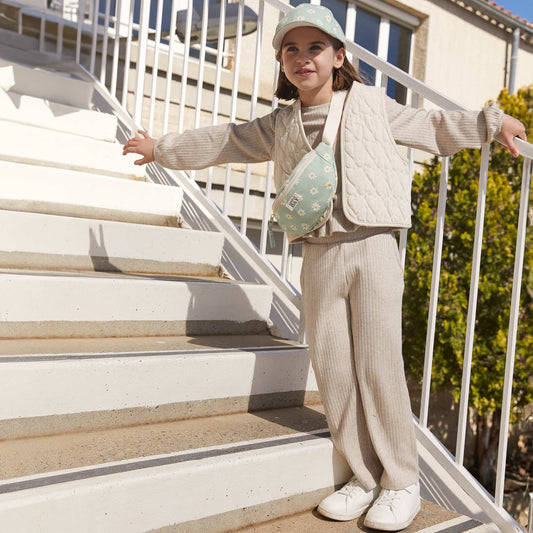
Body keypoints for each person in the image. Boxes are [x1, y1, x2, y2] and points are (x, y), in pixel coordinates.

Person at [123, 4, 527, 530]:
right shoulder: (280, 123)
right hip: (318, 255)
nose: (302, 57)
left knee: (379, 366)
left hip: (373, 246)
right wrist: (163, 148)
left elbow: (430, 126)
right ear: (282, 63)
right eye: (291, 49)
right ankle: (362, 477)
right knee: (333, 367)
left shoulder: (370, 104)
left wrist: (490, 123)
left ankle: (401, 481)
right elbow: (226, 140)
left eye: (315, 47)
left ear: (338, 56)